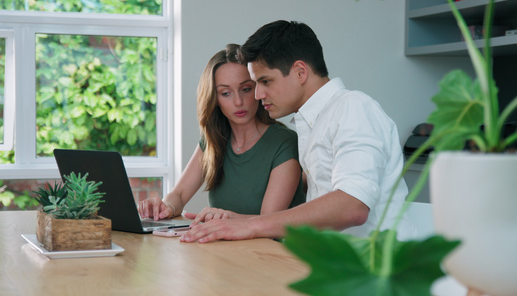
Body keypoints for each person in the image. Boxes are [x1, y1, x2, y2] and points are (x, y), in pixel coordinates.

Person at [180, 20, 415, 243]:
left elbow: (352, 206)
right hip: (332, 266)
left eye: (265, 82)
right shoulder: (312, 123)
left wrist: (252, 226)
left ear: (300, 72)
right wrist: (233, 220)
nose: (258, 94)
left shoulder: (354, 108)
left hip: (374, 272)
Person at [138, 44, 305, 222]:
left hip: (272, 249)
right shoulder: (213, 141)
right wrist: (164, 207)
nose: (238, 101)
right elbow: (178, 195)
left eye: (246, 89)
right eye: (226, 93)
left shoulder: (284, 141)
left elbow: (268, 222)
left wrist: (225, 217)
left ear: (258, 89)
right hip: (225, 247)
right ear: (214, 99)